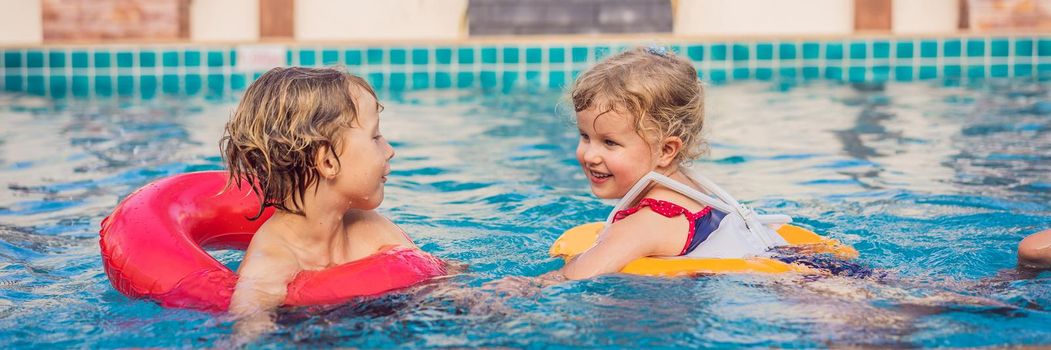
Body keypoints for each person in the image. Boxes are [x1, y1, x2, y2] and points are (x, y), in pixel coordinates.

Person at [220, 67, 420, 338]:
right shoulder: (274, 257)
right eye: (375, 137)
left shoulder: (372, 228)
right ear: (327, 162)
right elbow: (249, 323)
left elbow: (440, 278)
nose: (389, 150)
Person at [560, 46, 791, 280]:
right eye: (585, 136)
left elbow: (574, 277)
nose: (590, 155)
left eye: (609, 142)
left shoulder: (647, 223)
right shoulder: (691, 187)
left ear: (666, 150)